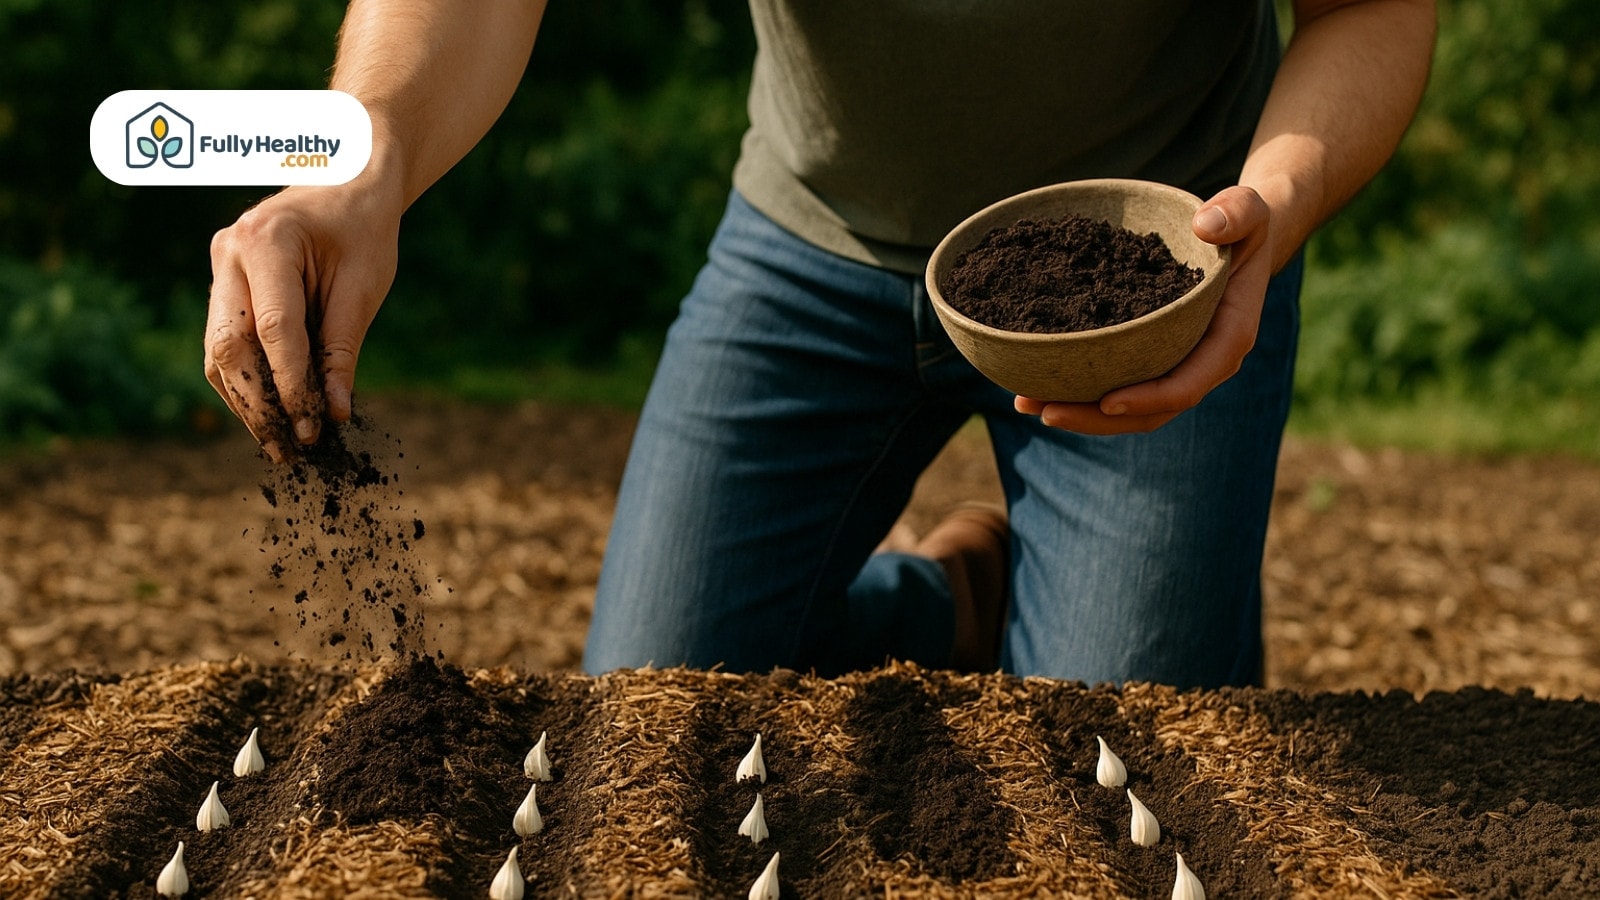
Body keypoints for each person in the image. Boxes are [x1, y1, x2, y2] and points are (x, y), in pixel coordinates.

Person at [204, 0, 1436, 688]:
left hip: (1155, 270)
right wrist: (358, 159)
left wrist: (1270, 205)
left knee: (1118, 771)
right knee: (651, 714)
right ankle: (950, 602)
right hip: (812, 249)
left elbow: (1369, 9)